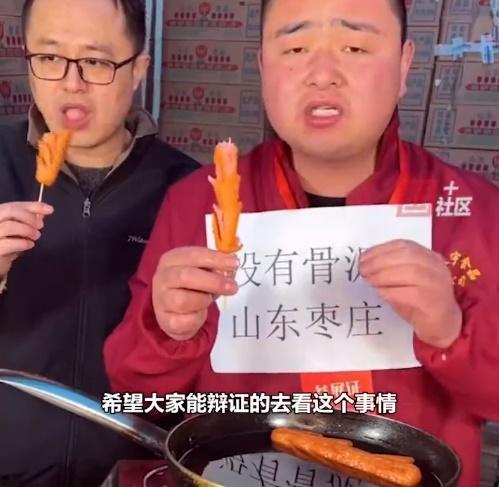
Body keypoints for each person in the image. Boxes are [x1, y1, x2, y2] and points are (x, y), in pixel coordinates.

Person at [104, 1, 499, 486]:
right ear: (263, 67)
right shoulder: (196, 203)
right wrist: (167, 333)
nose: (323, 74)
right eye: (295, 48)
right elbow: (137, 392)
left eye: (355, 47)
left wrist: (452, 332)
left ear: (403, 66)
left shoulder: (474, 209)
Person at [0, 0, 200, 485]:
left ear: (138, 69)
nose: (71, 83)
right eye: (50, 58)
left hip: (137, 471)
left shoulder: (190, 191)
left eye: (95, 61)